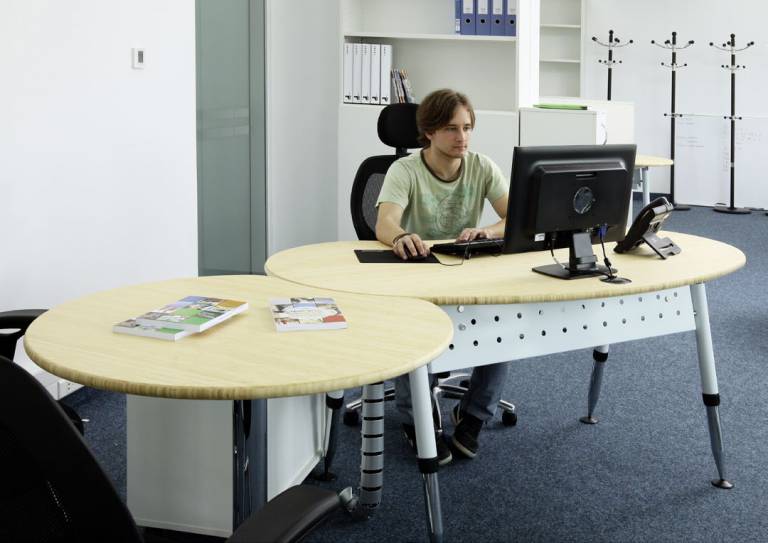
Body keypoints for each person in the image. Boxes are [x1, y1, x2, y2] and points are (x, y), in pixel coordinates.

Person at [375, 88, 511, 465]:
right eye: (452, 128)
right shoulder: (405, 170)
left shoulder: (482, 166)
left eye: (467, 128)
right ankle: (415, 419)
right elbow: (385, 222)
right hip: (418, 274)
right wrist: (400, 236)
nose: (461, 137)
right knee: (412, 331)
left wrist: (487, 231)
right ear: (429, 131)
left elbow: (514, 216)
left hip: (464, 272)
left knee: (504, 321)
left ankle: (473, 415)